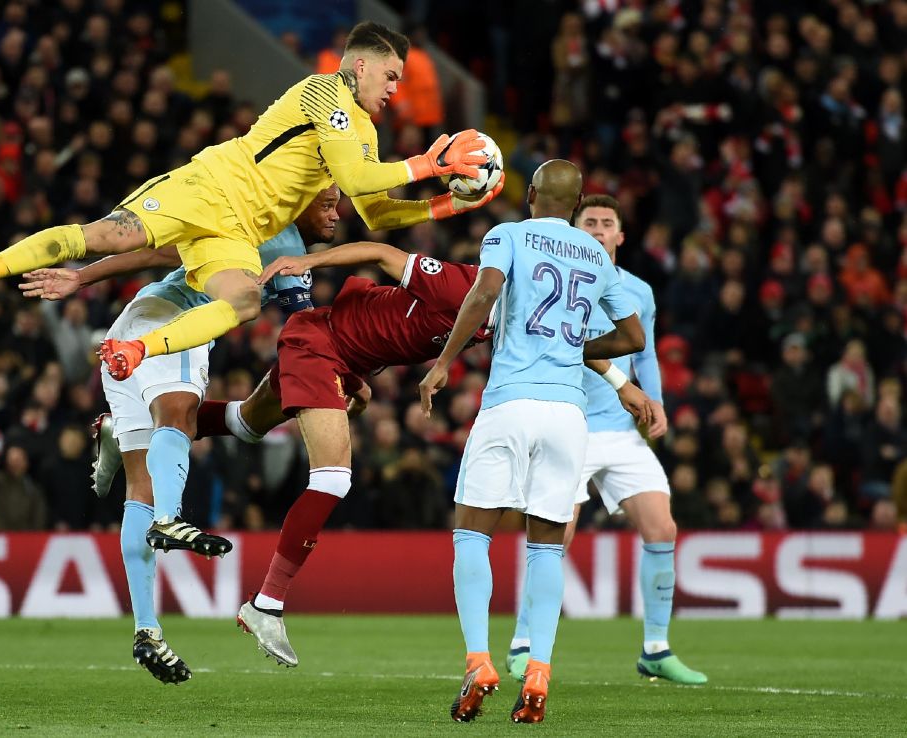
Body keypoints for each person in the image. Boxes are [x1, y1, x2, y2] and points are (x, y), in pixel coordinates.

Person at [180, 239, 650, 670]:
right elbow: (382, 253)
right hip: (318, 346)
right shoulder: (463, 283)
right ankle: (267, 604)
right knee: (332, 478)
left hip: (341, 355)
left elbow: (568, 344)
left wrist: (622, 384)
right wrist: (308, 262)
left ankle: (144, 428)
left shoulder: (507, 316)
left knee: (245, 423)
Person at [0, 22, 500, 369]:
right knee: (99, 237)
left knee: (243, 302)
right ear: (361, 65)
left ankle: (133, 351)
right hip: (209, 189)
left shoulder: (366, 132)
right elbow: (355, 180)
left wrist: (443, 204)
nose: (395, 89)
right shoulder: (325, 91)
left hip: (239, 231)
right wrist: (428, 165)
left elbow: (373, 211)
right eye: (391, 75)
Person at [17, 186, 340, 685]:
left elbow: (301, 329)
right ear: (298, 205)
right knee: (181, 419)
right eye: (327, 204)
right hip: (172, 324)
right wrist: (81, 276)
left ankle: (147, 628)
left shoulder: (293, 252)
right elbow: (157, 250)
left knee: (138, 491)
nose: (336, 214)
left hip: (129, 331)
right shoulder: (264, 232)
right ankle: (171, 518)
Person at [419, 160, 645, 724]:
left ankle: (479, 662)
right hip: (569, 413)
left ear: (533, 196)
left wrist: (445, 361)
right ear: (574, 207)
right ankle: (539, 669)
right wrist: (576, 350)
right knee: (546, 544)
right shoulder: (596, 254)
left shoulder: (509, 235)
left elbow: (484, 292)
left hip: (511, 403)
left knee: (472, 533)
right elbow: (634, 335)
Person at [505, 195, 708, 687]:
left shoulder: (638, 291)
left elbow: (648, 355)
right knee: (557, 535)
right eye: (588, 222)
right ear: (574, 231)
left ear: (621, 236)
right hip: (568, 421)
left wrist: (654, 402)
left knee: (662, 528)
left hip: (619, 430)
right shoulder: (554, 279)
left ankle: (656, 650)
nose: (597, 229)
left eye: (606, 223)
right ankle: (523, 642)